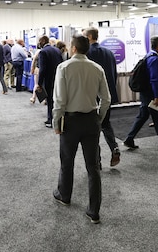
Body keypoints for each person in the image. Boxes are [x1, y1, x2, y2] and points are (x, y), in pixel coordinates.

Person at [51, 35, 110, 224]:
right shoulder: (97, 68)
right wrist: (98, 117)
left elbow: (59, 101)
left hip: (70, 121)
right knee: (93, 167)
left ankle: (64, 195)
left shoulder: (64, 67)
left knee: (67, 161)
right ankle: (94, 211)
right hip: (91, 119)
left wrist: (56, 122)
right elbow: (106, 99)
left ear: (73, 48)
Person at [123, 36, 158, 150]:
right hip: (151, 93)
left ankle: (129, 138)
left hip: (146, 92)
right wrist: (156, 96)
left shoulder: (149, 55)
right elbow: (154, 79)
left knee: (143, 116)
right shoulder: (154, 59)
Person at [84, 27, 121, 167]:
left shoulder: (87, 53)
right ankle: (114, 147)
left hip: (92, 96)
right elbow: (114, 74)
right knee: (105, 123)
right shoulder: (109, 52)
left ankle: (97, 160)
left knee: (93, 129)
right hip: (108, 94)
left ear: (89, 37)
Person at [36, 35, 63, 128]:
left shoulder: (43, 52)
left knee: (50, 100)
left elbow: (42, 69)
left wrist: (39, 83)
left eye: (39, 41)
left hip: (48, 79)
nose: (38, 43)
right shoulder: (57, 50)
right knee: (57, 100)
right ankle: (55, 119)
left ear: (43, 41)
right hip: (58, 78)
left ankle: (51, 120)